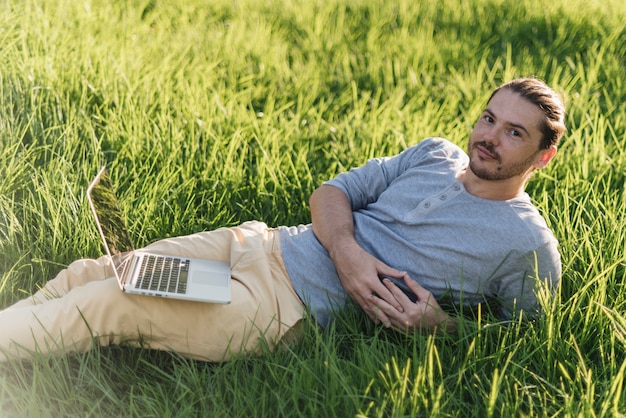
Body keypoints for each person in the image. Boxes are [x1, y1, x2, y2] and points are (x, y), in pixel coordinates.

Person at [0, 77, 566, 362]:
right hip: (255, 247)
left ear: (544, 155)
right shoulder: (433, 154)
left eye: (513, 132)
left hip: (275, 306)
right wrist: (348, 252)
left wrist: (438, 327)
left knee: (114, 303)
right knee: (94, 273)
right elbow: (331, 193)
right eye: (489, 118)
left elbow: (527, 343)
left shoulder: (526, 243)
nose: (488, 137)